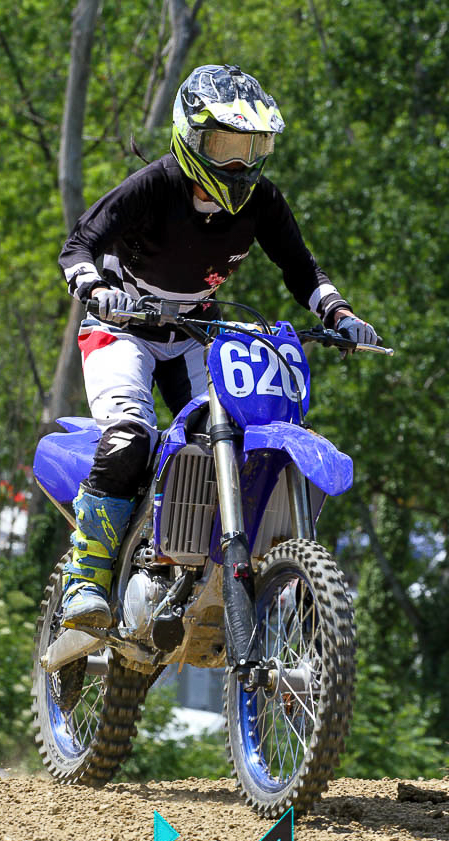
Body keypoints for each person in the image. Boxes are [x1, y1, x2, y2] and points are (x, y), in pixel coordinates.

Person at [58, 63, 377, 629]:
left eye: (251, 148)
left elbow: (300, 267)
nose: (237, 164)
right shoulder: (154, 185)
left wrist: (340, 312)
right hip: (123, 328)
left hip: (195, 333)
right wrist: (95, 288)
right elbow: (79, 243)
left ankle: (196, 567)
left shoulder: (262, 201)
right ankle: (85, 580)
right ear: (190, 137)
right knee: (131, 437)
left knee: (224, 435)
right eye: (224, 146)